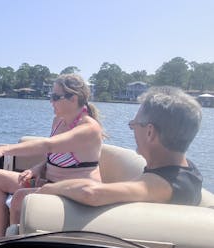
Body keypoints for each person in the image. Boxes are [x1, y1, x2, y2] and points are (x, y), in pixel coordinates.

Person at [0, 74, 103, 237]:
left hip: (76, 194)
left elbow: (48, 145)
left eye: (56, 97)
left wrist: (5, 149)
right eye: (51, 96)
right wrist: (38, 167)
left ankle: (14, 246)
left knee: (20, 197)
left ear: (74, 98)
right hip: (50, 183)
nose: (51, 101)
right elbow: (56, 152)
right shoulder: (58, 120)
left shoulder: (89, 129)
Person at [36, 86, 203, 206]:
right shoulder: (189, 171)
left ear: (150, 132)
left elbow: (91, 194)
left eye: (134, 124)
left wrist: (48, 189)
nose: (132, 129)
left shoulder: (161, 184)